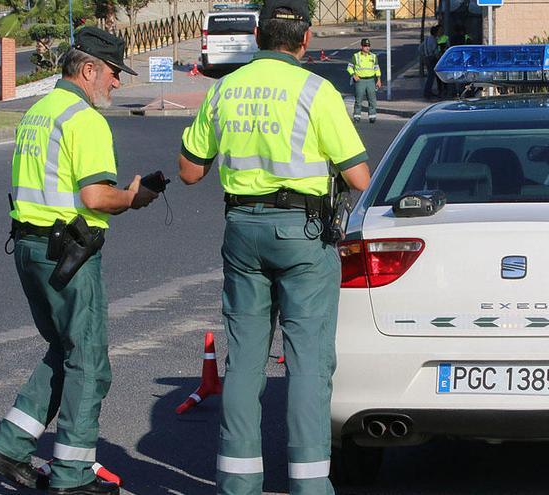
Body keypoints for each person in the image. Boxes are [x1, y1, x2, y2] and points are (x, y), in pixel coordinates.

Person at [177, 0, 371, 492]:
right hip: (303, 235)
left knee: (244, 359)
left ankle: (239, 483)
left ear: (257, 35)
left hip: (243, 228)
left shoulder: (225, 89)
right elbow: (359, 176)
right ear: (305, 40)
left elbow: (190, 170)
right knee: (308, 362)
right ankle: (309, 484)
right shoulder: (316, 90)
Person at [0, 26, 157, 495]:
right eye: (114, 73)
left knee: (63, 350)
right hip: (70, 255)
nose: (117, 83)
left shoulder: (38, 112)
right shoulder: (84, 119)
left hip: (29, 248)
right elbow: (96, 195)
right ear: (89, 69)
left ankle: (10, 446)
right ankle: (73, 477)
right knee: (90, 365)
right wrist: (134, 198)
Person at [346, 38, 382, 123]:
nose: (367, 47)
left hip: (370, 80)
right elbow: (349, 67)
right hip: (360, 81)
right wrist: (353, 75)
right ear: (361, 46)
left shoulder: (373, 56)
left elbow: (377, 68)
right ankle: (357, 116)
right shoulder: (356, 56)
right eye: (365, 46)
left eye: (368, 46)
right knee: (359, 99)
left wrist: (379, 79)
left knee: (372, 99)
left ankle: (372, 116)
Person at [420, 25, 441, 99]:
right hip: (432, 59)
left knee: (430, 76)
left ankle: (428, 91)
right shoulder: (433, 40)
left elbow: (420, 48)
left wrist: (424, 56)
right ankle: (427, 92)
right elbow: (436, 52)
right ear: (436, 32)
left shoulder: (427, 39)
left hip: (427, 58)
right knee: (431, 77)